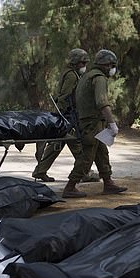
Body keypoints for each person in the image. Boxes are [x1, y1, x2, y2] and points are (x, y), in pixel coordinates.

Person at [62, 49, 127, 198]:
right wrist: (112, 123)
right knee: (87, 156)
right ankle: (70, 186)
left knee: (101, 153)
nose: (112, 68)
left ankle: (108, 183)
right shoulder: (99, 78)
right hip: (92, 124)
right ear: (105, 65)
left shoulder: (87, 76)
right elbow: (102, 103)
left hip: (89, 123)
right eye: (111, 65)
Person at [32, 48, 99, 183]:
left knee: (56, 144)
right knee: (77, 144)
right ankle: (84, 172)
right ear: (75, 62)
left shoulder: (71, 73)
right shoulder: (71, 75)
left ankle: (40, 171)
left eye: (85, 63)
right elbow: (64, 96)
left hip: (66, 115)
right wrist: (64, 116)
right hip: (68, 116)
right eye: (82, 63)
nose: (84, 66)